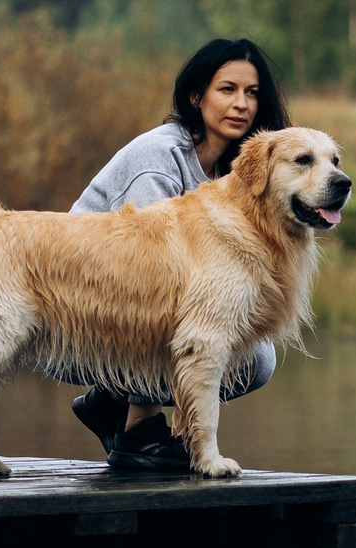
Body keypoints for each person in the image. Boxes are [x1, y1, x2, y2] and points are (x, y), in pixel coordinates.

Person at [66, 38, 291, 469]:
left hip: (150, 320)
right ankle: (137, 428)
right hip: (83, 313)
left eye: (252, 93)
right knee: (179, 316)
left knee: (256, 358)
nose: (241, 104)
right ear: (196, 96)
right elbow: (150, 275)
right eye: (227, 89)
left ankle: (117, 408)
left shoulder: (238, 169)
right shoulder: (158, 157)